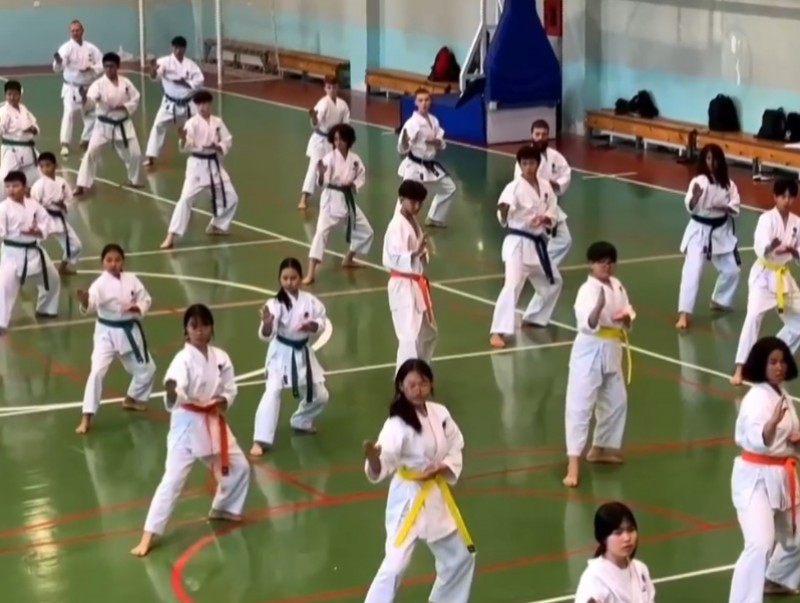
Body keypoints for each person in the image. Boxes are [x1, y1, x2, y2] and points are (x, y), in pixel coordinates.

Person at [131, 304, 250, 557]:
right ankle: (147, 536)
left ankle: (224, 508)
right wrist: (174, 390)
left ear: (211, 328)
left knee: (240, 466)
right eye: (194, 326)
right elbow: (177, 382)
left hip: (212, 419)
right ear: (186, 329)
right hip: (186, 424)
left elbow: (230, 388)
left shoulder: (221, 357)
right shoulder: (182, 359)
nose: (199, 330)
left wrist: (223, 400)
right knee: (172, 481)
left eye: (204, 325)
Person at [362, 358, 475, 603]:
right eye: (411, 385)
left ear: (431, 384)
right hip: (409, 497)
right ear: (401, 387)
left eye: (423, 383)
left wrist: (443, 466)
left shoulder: (440, 413)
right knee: (394, 566)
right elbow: (385, 458)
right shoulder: (396, 424)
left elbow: (455, 444)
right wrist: (373, 460)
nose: (418, 390)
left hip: (435, 495)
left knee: (460, 557)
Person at [728, 336, 800, 602]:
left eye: (782, 361)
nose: (779, 367)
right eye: (772, 362)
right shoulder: (756, 399)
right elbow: (758, 438)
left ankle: (777, 577)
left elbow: (787, 439)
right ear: (762, 365)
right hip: (755, 479)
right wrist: (771, 424)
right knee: (759, 544)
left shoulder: (782, 394)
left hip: (782, 475)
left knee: (797, 537)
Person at [563, 242, 635, 488]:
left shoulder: (618, 285)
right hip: (589, 351)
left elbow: (627, 316)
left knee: (616, 401)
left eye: (611, 261)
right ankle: (573, 465)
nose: (607, 265)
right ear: (591, 264)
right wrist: (598, 307)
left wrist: (626, 319)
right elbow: (587, 322)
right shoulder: (587, 290)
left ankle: (598, 449)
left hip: (612, 348)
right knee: (580, 406)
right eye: (602, 261)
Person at [75, 243, 156, 434]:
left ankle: (132, 399)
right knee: (96, 372)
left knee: (148, 369)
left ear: (123, 262)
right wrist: (85, 300)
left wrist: (137, 307)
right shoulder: (99, 284)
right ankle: (86, 416)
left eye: (117, 260)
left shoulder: (132, 279)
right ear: (102, 262)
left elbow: (146, 299)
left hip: (129, 331)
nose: (113, 264)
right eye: (109, 260)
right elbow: (92, 303)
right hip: (106, 333)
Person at [251, 258, 329, 456]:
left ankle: (301, 420)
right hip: (281, 354)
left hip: (303, 353)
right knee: (272, 392)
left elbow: (321, 321)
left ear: (300, 278)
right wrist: (267, 323)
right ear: (279, 279)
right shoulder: (275, 304)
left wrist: (313, 326)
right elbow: (266, 334)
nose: (289, 282)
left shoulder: (310, 301)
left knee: (320, 395)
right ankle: (260, 439)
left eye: (293, 278)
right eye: (285, 278)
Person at [489, 145, 562, 349]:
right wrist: (504, 211)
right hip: (517, 244)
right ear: (520, 165)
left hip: (536, 246)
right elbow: (503, 210)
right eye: (525, 164)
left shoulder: (545, 186)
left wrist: (546, 219)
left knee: (554, 281)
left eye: (532, 163)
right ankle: (497, 332)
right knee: (512, 285)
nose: (529, 167)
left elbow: (553, 210)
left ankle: (534, 317)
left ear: (538, 164)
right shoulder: (513, 188)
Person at [730, 179, 800, 385]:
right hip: (764, 276)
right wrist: (771, 247)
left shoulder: (797, 222)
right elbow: (760, 246)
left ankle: (775, 355)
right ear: (775, 197)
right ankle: (740, 368)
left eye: (791, 197)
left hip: (783, 277)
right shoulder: (766, 219)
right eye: (783, 196)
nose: (787, 201)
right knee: (753, 317)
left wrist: (794, 251)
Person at [160, 90, 238, 249]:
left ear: (210, 104)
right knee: (185, 200)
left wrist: (218, 146)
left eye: (205, 104)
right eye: (199, 104)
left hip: (214, 165)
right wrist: (183, 139)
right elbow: (187, 143)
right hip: (197, 166)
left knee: (232, 197)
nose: (202, 107)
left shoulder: (217, 122)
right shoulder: (192, 123)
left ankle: (217, 225)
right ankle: (171, 235)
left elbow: (228, 140)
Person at [676, 143, 741, 330]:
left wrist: (725, 208)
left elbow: (735, 206)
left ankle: (720, 300)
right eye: (708, 158)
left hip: (721, 231)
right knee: (693, 271)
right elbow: (690, 205)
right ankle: (684, 314)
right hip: (699, 231)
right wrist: (695, 198)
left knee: (733, 270)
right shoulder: (699, 182)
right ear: (704, 161)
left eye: (715, 159)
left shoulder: (729, 184)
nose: (712, 163)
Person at [304, 123, 373, 284]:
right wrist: (321, 175)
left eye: (341, 139)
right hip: (331, 200)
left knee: (367, 231)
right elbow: (321, 182)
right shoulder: (329, 158)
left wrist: (354, 184)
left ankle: (348, 258)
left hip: (347, 200)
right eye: (335, 139)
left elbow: (361, 176)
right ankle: (310, 272)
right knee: (321, 233)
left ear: (348, 140)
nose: (338, 142)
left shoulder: (355, 159)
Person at [383, 180, 436, 373]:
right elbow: (395, 258)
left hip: (414, 284)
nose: (417, 206)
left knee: (427, 334)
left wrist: (421, 252)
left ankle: (419, 372)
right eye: (413, 202)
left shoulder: (412, 222)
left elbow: (417, 253)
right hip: (402, 285)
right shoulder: (396, 226)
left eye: (420, 203)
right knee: (408, 338)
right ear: (401, 199)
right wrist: (415, 253)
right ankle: (405, 380)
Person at [74, 52, 143, 195]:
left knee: (135, 154)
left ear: (118, 66)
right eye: (106, 67)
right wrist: (84, 98)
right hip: (103, 126)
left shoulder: (126, 82)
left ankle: (134, 180)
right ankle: (81, 185)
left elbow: (136, 97)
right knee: (91, 154)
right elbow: (90, 102)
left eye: (111, 66)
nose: (108, 69)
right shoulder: (98, 85)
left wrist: (125, 106)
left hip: (123, 124)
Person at [0, 171, 60, 335]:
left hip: (34, 250)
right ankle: (1, 322)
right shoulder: (3, 208)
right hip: (12, 253)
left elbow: (47, 222)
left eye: (15, 186)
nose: (11, 190)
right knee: (4, 287)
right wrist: (18, 231)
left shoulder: (33, 205)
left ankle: (46, 308)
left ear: (25, 187)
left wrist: (38, 230)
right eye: (8, 186)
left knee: (53, 279)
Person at [513, 119, 572, 266]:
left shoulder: (555, 156)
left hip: (549, 204)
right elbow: (521, 182)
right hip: (530, 207)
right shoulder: (526, 157)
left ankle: (543, 267)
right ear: (531, 135)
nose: (540, 138)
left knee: (564, 239)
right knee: (528, 242)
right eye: (537, 134)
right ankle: (534, 268)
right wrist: (543, 186)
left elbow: (566, 173)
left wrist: (556, 184)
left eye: (544, 134)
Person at [574, 501, 656, 602]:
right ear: (603, 538)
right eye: (618, 533)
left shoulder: (640, 569)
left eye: (631, 530)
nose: (627, 538)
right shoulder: (593, 579)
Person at [397, 88, 456, 227]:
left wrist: (436, 142)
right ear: (416, 103)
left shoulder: (434, 120)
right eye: (420, 100)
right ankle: (400, 224)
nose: (424, 103)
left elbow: (441, 143)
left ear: (430, 102)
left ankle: (434, 217)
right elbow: (401, 149)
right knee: (406, 196)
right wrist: (404, 140)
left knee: (450, 187)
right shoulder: (412, 123)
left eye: (427, 100)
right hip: (414, 166)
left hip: (429, 164)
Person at [144, 35, 205, 167]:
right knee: (158, 126)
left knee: (199, 125)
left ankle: (201, 153)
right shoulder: (164, 62)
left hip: (189, 104)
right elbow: (155, 76)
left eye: (181, 48)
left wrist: (185, 83)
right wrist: (153, 70)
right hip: (169, 104)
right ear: (172, 48)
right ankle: (151, 156)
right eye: (176, 48)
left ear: (184, 49)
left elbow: (200, 81)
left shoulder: (191, 65)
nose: (178, 50)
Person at [298, 76, 350, 210]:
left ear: (338, 87)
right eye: (329, 87)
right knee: (314, 165)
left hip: (333, 142)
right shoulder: (323, 103)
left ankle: (332, 197)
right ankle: (304, 197)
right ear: (325, 88)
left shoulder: (342, 105)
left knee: (332, 169)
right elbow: (316, 123)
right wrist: (314, 118)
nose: (332, 90)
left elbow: (345, 125)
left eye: (334, 87)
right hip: (319, 140)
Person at [52, 19, 102, 157]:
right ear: (70, 32)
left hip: (89, 87)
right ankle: (65, 143)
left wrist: (91, 68)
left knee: (92, 115)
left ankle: (85, 140)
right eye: (73, 31)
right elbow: (58, 68)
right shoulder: (66, 48)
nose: (75, 33)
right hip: (72, 88)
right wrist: (59, 62)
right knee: (68, 114)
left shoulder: (91, 48)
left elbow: (101, 64)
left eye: (77, 30)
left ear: (82, 31)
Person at [29, 152, 81, 275]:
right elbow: (32, 205)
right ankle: (23, 270)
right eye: (42, 166)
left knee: (76, 245)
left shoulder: (62, 182)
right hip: (42, 220)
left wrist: (63, 205)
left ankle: (62, 267)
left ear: (55, 166)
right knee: (30, 246)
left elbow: (69, 199)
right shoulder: (38, 186)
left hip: (58, 219)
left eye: (48, 165)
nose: (45, 169)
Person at [0, 80, 40, 184]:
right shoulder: (4, 112)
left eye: (15, 94)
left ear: (20, 95)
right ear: (5, 95)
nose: (12, 97)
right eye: (9, 94)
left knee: (35, 176)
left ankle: (30, 193)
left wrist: (32, 129)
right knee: (5, 177)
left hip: (28, 148)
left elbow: (34, 124)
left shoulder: (23, 109)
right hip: (12, 150)